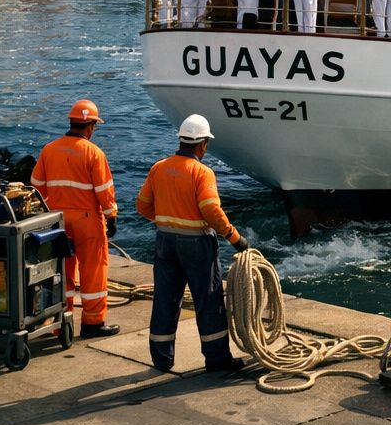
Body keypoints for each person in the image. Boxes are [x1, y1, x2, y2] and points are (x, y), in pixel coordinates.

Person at [135, 114, 247, 374]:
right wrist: (234, 237)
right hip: (197, 244)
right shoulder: (202, 172)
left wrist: (165, 221)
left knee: (165, 300)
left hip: (165, 242)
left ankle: (162, 359)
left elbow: (142, 205)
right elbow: (211, 211)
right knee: (208, 301)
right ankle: (217, 360)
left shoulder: (159, 167)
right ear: (203, 144)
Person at [31, 99, 119, 338]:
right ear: (91, 126)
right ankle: (93, 323)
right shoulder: (94, 153)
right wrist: (111, 216)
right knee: (93, 272)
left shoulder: (49, 149)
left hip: (57, 220)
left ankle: (61, 321)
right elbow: (104, 191)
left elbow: (36, 186)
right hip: (87, 220)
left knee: (61, 270)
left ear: (72, 122)